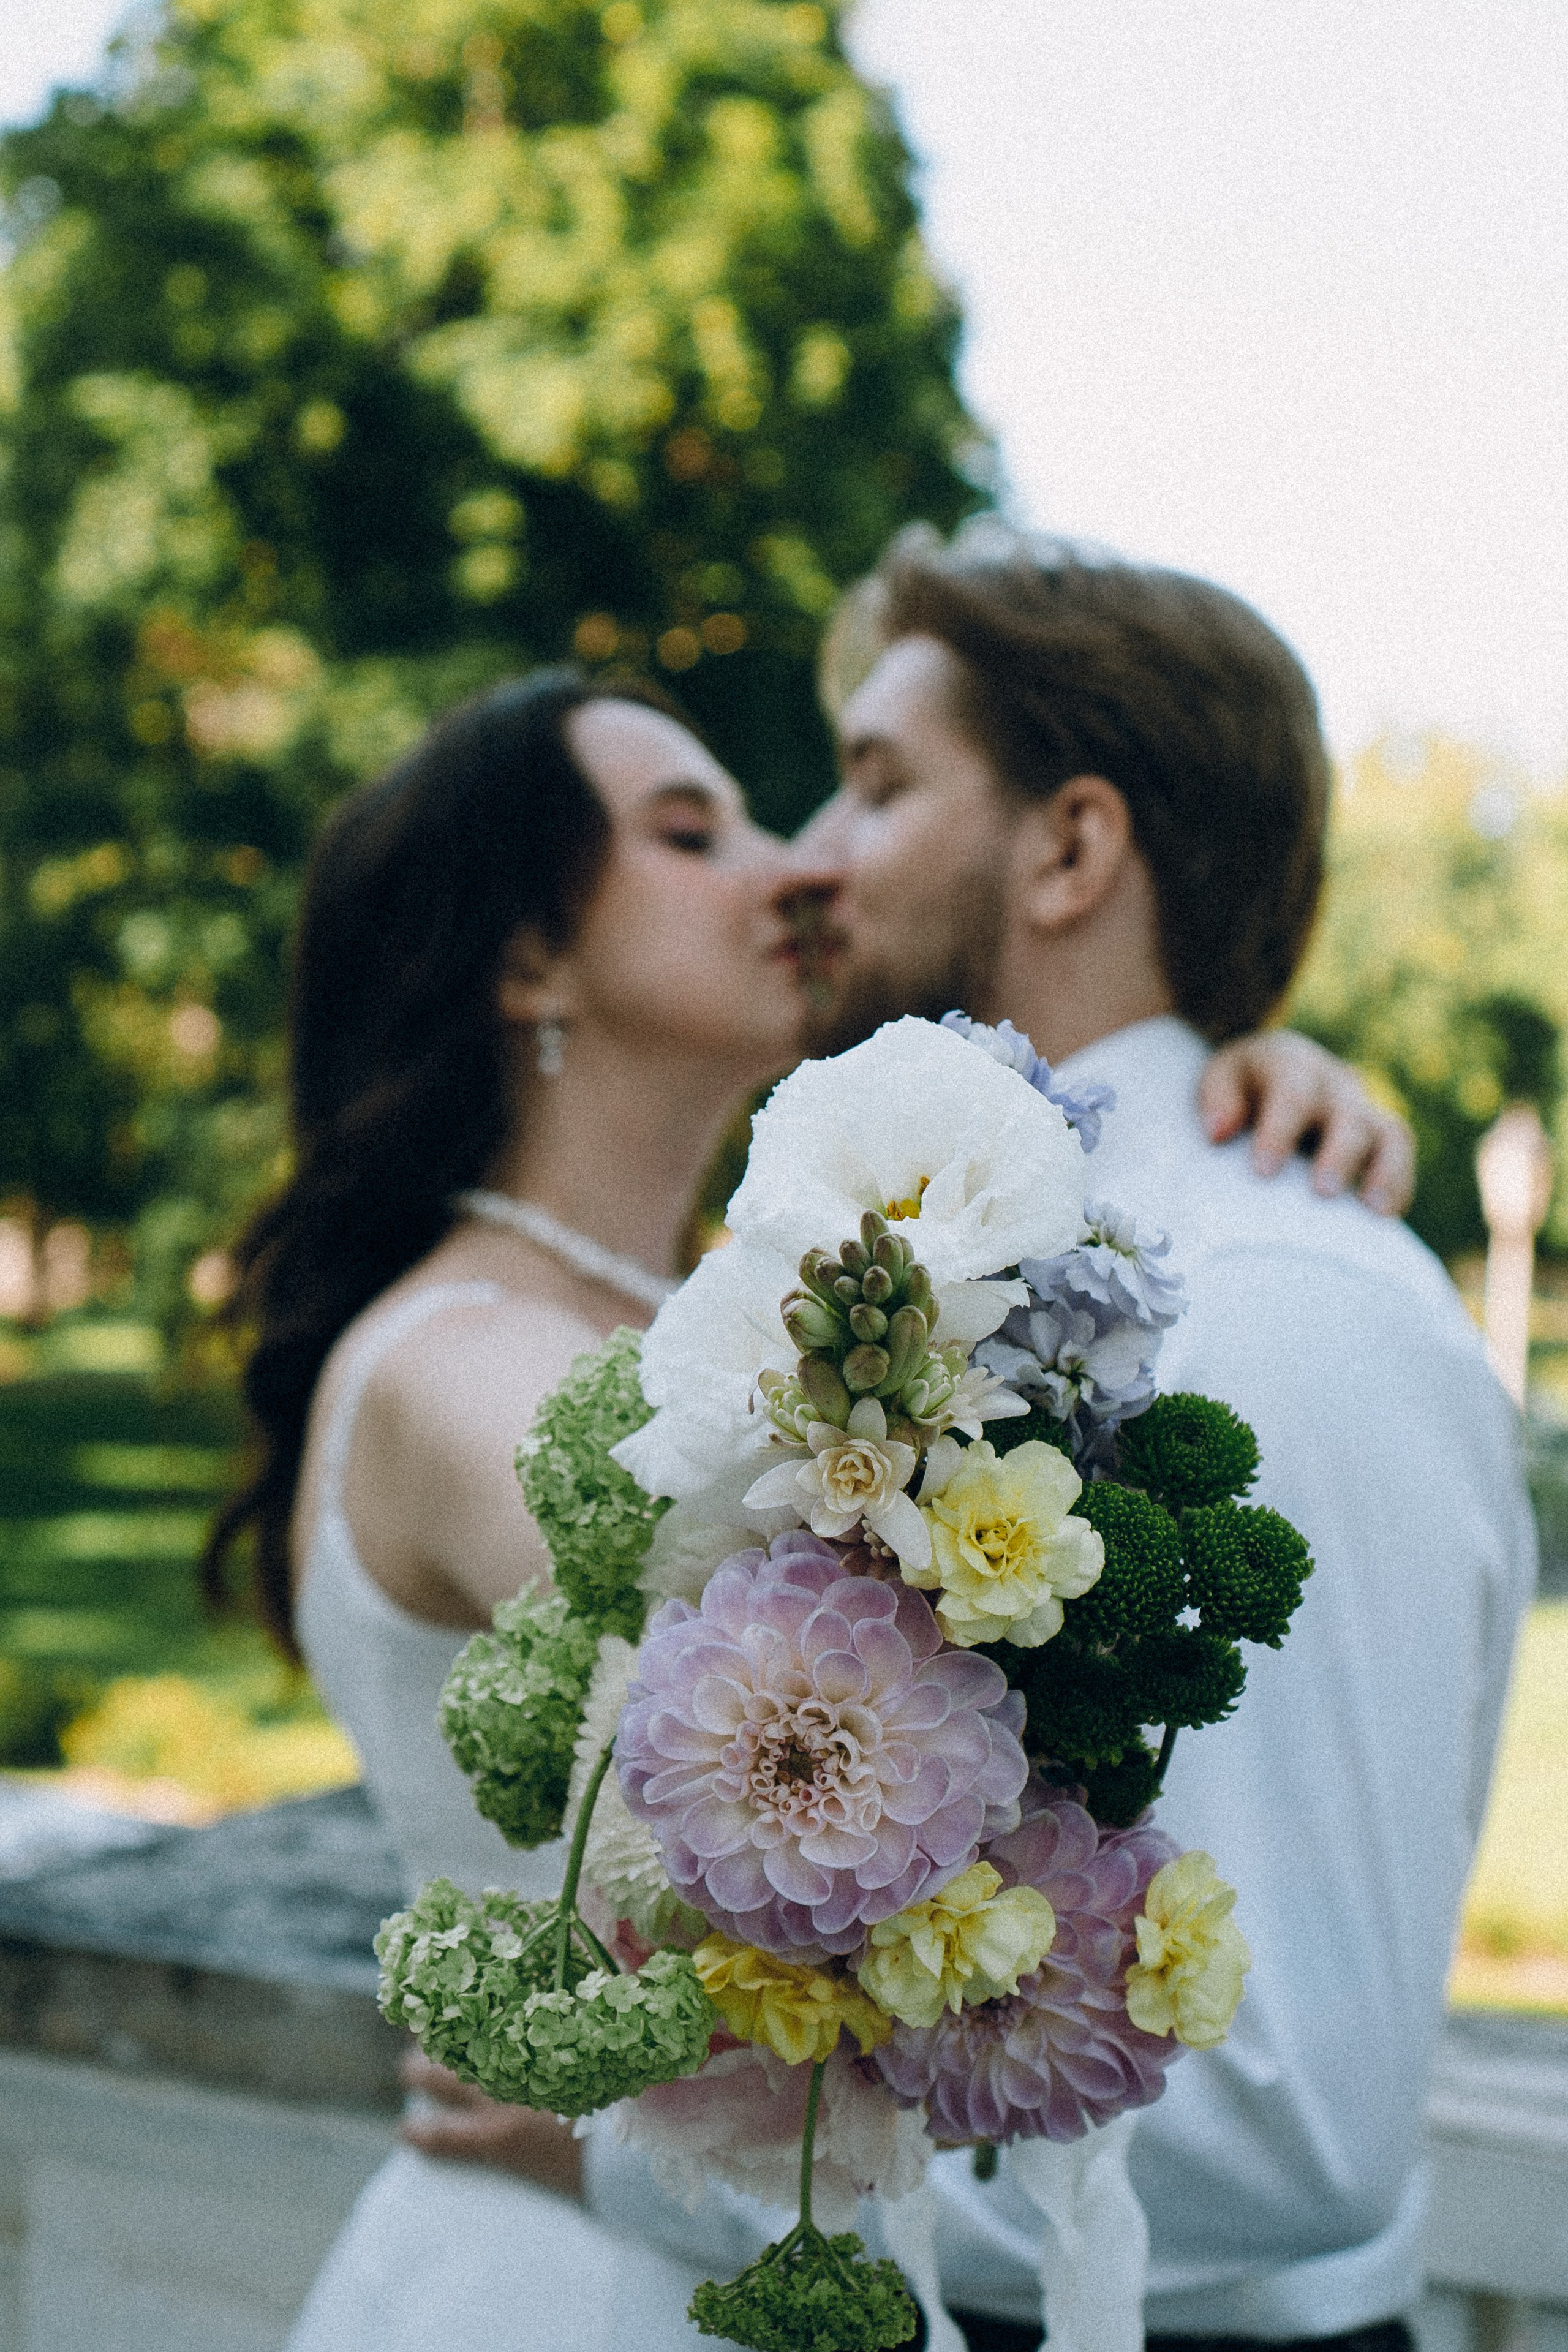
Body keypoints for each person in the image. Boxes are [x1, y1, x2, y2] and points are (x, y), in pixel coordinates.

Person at [206, 658, 1417, 2351]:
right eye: (693, 833)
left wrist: (1219, 1094)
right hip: (572, 2277)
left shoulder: (703, 1324)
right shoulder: (464, 1365)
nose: (796, 867)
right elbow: (852, 1716)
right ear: (529, 956)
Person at [771, 524, 1537, 2352]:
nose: (810, 855)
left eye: (877, 786)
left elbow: (1285, 2119)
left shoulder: (1282, 1309)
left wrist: (670, 2113)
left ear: (1071, 844)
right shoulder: (893, 1266)